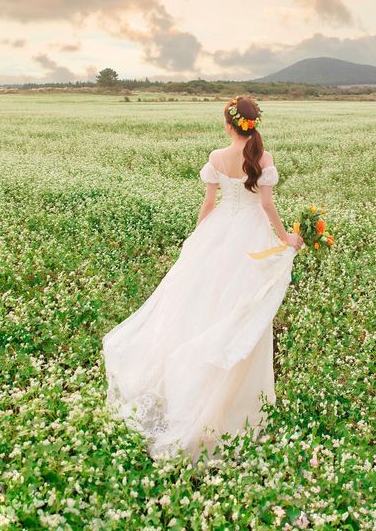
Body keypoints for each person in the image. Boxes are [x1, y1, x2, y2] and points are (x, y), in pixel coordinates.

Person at [102, 95, 305, 463]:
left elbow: (209, 204)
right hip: (250, 237)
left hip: (219, 234)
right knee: (241, 311)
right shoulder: (263, 158)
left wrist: (199, 238)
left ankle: (193, 386)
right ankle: (232, 397)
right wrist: (284, 238)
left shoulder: (216, 157)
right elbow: (266, 205)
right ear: (254, 124)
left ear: (229, 125)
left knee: (203, 306)